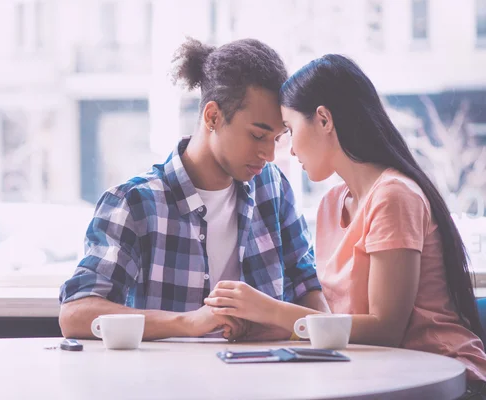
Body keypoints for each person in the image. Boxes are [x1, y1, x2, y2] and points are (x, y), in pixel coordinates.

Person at [204, 54, 486, 395]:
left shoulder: (393, 196)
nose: (290, 151)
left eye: (291, 131)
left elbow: (385, 331)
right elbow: (345, 326)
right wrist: (271, 326)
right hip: (377, 375)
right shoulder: (329, 205)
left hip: (443, 378)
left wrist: (272, 309)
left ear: (323, 119)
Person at [58, 37, 329, 342]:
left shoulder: (274, 189)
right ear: (213, 116)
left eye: (277, 138)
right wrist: (188, 322)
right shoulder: (135, 203)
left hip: (265, 383)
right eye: (257, 136)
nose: (268, 155)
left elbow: (309, 289)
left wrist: (284, 325)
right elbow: (75, 315)